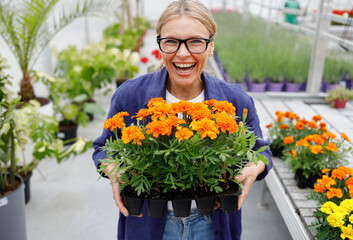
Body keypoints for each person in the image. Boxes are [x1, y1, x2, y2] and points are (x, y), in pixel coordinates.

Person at [92, 0, 273, 239]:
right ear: (160, 45)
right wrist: (113, 169)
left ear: (211, 46)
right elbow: (103, 147)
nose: (183, 53)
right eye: (171, 42)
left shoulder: (236, 100)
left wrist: (254, 167)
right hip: (149, 221)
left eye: (196, 41)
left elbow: (261, 151)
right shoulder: (130, 96)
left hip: (213, 222)